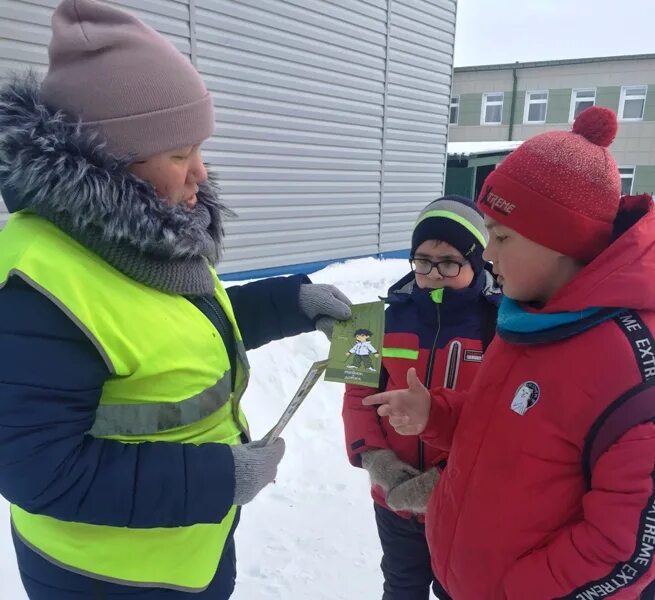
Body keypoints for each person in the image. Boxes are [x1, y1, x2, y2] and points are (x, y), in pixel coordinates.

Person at [0, 1, 352, 598]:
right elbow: (38, 469)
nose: (201, 173)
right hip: (105, 576)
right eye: (179, 153)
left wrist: (293, 301)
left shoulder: (144, 237)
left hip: (191, 547)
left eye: (199, 148)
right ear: (112, 160)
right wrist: (216, 480)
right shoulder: (42, 286)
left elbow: (181, 330)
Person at [365, 107, 655, 599]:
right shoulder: (529, 319)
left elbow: (626, 547)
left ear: (559, 241)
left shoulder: (628, 361)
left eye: (500, 237)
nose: (489, 256)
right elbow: (500, 427)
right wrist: (436, 412)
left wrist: (514, 591)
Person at [343, 196, 500, 600]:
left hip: (463, 504)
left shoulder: (502, 325)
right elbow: (357, 394)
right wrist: (379, 462)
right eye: (422, 260)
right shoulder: (369, 320)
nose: (433, 273)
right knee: (401, 587)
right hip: (392, 498)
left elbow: (502, 420)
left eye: (449, 262)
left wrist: (447, 480)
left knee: (458, 590)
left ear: (477, 261)